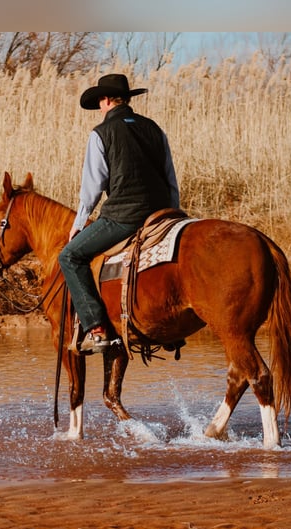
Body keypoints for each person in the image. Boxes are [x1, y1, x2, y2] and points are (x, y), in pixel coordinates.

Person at [58, 73, 180, 354]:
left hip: (124, 216)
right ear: (126, 99)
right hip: (162, 213)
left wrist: (78, 224)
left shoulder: (101, 133)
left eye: (100, 101)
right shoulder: (154, 129)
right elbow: (171, 179)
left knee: (70, 256)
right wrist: (173, 215)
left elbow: (92, 188)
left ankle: (96, 329)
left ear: (105, 101)